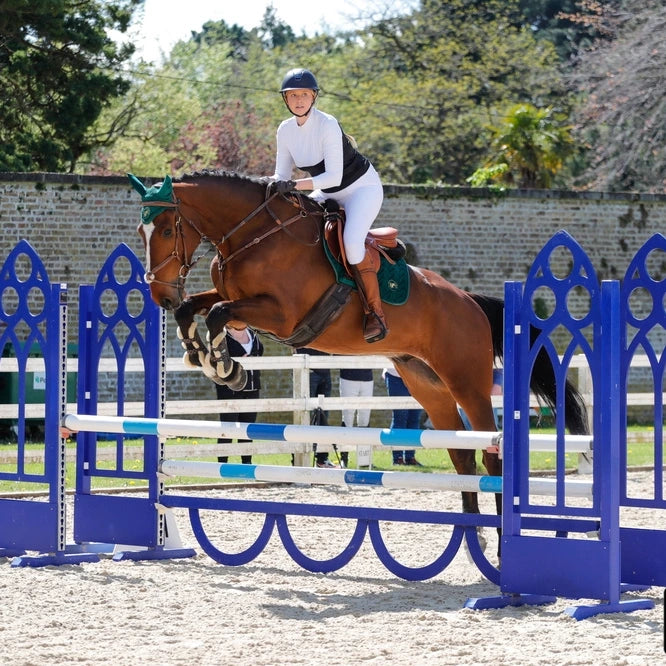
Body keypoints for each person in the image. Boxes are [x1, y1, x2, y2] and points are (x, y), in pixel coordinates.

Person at [271, 67, 387, 343]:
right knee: (295, 224)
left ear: (314, 97)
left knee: (351, 243)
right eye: (293, 95)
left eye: (304, 95)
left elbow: (333, 176)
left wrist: (295, 186)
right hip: (328, 192)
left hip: (362, 189)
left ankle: (376, 313)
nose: (299, 100)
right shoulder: (285, 130)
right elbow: (281, 176)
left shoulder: (327, 124)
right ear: (285, 100)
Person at [215, 325, 263, 464]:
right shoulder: (223, 336)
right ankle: (222, 462)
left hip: (253, 388)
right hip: (230, 389)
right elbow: (218, 361)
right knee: (227, 427)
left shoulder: (253, 334)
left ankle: (246, 462)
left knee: (247, 427)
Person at [295, 347, 338, 468]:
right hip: (308, 370)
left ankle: (322, 459)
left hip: (324, 370)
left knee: (324, 416)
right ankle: (300, 459)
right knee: (304, 416)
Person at [383, 365, 423, 466]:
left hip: (415, 375)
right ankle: (398, 458)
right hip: (395, 375)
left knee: (414, 418)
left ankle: (410, 457)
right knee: (399, 417)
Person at [339, 365, 374, 467]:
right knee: (348, 417)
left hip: (367, 377)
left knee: (365, 418)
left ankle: (364, 459)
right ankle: (344, 458)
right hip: (348, 377)